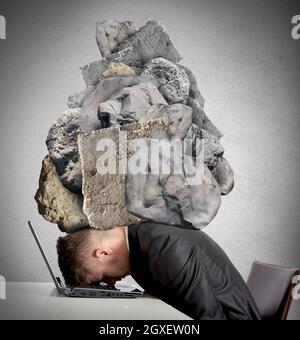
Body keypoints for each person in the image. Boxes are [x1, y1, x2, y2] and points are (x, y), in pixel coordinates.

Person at [57, 221, 261, 320]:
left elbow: (210, 318)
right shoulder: (140, 243)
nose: (110, 284)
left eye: (103, 278)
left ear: (102, 253)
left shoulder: (163, 247)